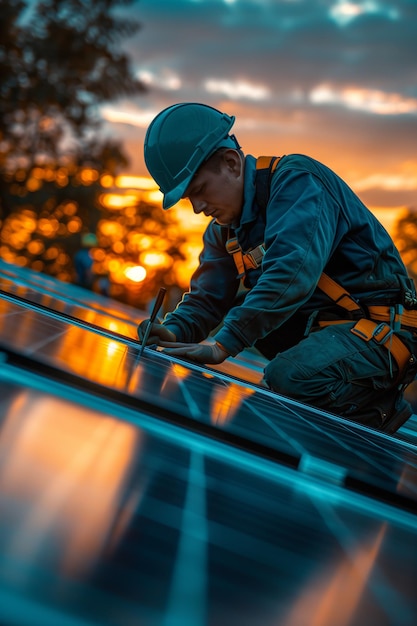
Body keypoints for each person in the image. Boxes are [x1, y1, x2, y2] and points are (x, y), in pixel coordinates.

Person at [138, 102, 417, 433]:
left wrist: (222, 345)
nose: (197, 207)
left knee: (287, 376)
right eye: (188, 199)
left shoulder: (298, 181)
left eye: (199, 190)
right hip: (327, 329)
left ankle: (375, 411)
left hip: (382, 334)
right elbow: (207, 299)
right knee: (247, 311)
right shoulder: (223, 231)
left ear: (231, 163)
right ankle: (327, 398)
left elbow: (291, 273)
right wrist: (173, 332)